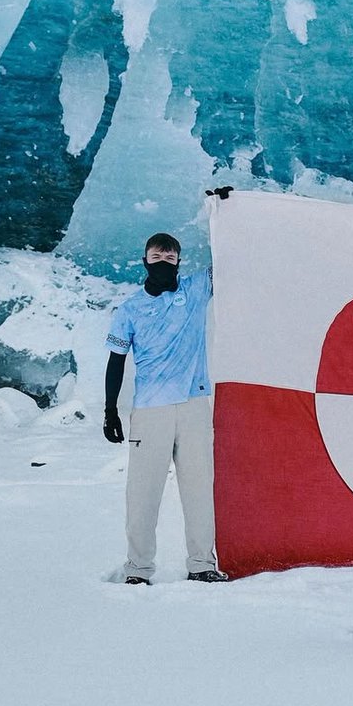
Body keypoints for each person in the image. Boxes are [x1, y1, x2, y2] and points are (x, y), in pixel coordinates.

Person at [103, 233, 227, 585]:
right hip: (150, 410)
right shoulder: (129, 309)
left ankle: (202, 564)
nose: (163, 260)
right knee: (143, 492)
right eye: (156, 256)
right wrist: (111, 409)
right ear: (144, 261)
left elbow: (227, 261)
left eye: (170, 257)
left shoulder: (195, 290)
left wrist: (225, 210)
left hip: (193, 406)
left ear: (178, 262)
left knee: (200, 488)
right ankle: (138, 569)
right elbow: (116, 361)